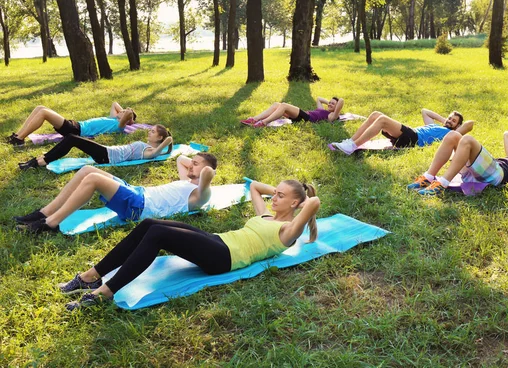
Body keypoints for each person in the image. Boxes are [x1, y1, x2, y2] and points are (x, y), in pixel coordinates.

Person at [57, 179, 320, 310]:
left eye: (281, 196)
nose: (274, 197)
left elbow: (314, 204)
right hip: (219, 242)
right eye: (274, 193)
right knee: (149, 223)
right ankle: (91, 276)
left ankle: (106, 291)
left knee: (158, 233)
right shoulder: (265, 215)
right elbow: (253, 188)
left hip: (225, 259)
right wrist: (283, 189)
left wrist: (306, 195)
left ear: (296, 204)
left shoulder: (288, 231)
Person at [14, 152, 218, 234]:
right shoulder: (187, 181)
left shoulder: (199, 195)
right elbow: (180, 158)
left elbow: (207, 174)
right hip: (137, 192)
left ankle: (50, 223)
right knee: (86, 170)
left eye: (196, 164)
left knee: (93, 180)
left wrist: (204, 169)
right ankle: (44, 212)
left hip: (140, 207)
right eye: (192, 163)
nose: (190, 165)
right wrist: (195, 163)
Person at [18, 125, 173, 170]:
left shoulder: (150, 151)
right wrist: (167, 145)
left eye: (152, 131)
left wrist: (168, 142)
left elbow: (155, 154)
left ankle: (41, 161)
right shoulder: (146, 146)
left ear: (159, 138)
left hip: (107, 156)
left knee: (72, 138)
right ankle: (41, 159)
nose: (149, 131)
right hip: (107, 150)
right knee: (72, 139)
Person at [329, 108, 474, 155]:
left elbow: (469, 124)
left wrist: (455, 128)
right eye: (450, 118)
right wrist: (445, 120)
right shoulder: (438, 127)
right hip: (409, 133)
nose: (449, 121)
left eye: (453, 121)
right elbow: (425, 111)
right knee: (375, 114)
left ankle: (352, 146)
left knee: (382, 119)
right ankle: (350, 141)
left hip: (413, 138)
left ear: (457, 126)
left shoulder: (452, 134)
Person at [6, 102, 137, 147]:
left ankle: (19, 140)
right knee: (40, 107)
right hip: (75, 125)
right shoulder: (113, 119)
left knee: (44, 112)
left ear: (127, 120)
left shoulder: (119, 126)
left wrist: (129, 114)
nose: (121, 111)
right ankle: (18, 135)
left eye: (124, 112)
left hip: (75, 130)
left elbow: (128, 115)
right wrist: (123, 112)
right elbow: (115, 104)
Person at [241, 96, 344, 128]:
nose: (329, 104)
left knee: (284, 105)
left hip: (308, 119)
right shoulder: (322, 109)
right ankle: (254, 119)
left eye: (333, 104)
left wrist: (336, 108)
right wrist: (330, 103)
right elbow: (319, 99)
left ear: (337, 108)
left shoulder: (332, 115)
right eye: (329, 103)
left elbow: (342, 101)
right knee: (277, 104)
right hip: (304, 115)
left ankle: (263, 122)